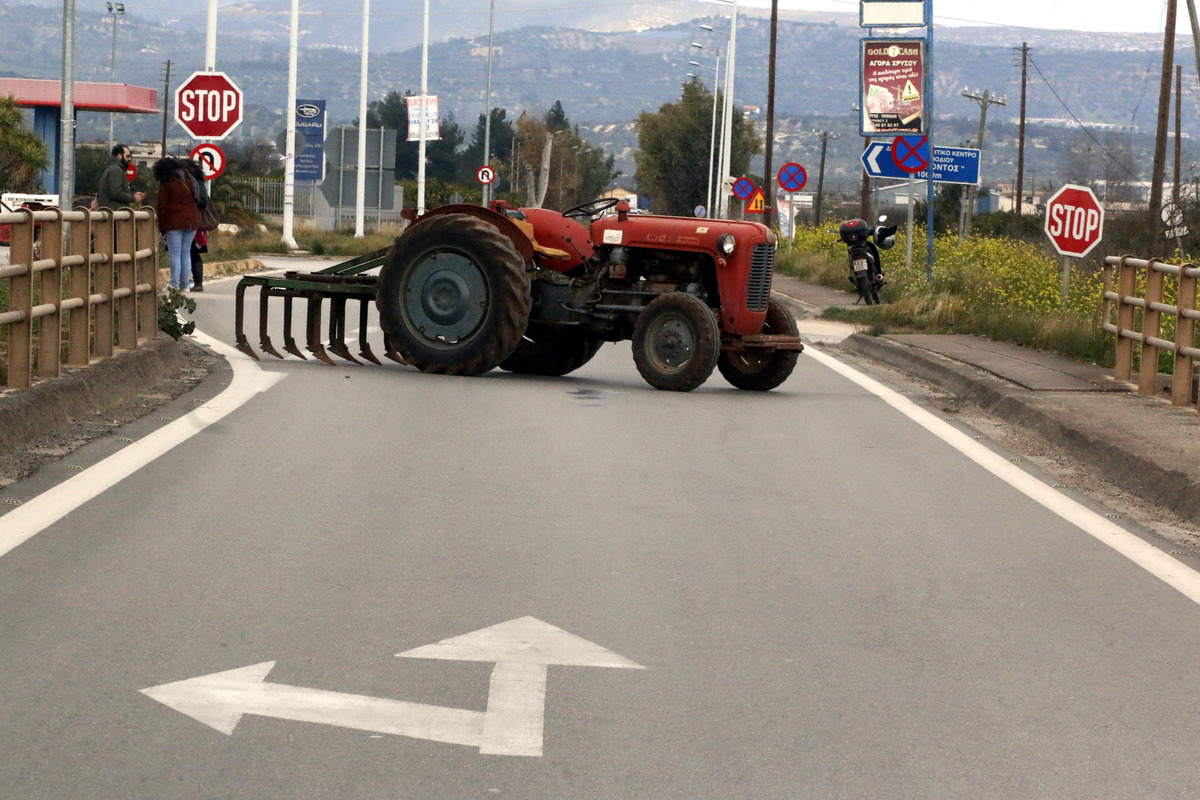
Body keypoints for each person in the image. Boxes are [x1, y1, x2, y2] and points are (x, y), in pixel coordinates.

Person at [153, 157, 201, 291]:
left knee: (175, 253)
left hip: (174, 222)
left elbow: (162, 207)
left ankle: (174, 284)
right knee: (186, 253)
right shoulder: (190, 178)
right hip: (192, 221)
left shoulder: (167, 182)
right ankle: (185, 285)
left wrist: (161, 227)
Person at [96, 144, 145, 209]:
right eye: (127, 156)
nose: (129, 159)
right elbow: (116, 193)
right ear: (119, 156)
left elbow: (117, 191)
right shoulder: (116, 170)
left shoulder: (113, 169)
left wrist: (133, 195)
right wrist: (133, 198)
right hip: (115, 213)